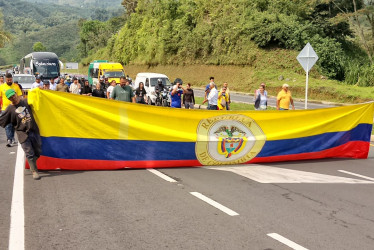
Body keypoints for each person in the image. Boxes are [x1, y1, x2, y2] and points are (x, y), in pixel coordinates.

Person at [0, 89, 41, 180]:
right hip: (22, 133)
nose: (13, 98)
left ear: (16, 94)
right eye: (10, 97)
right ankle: (34, 171)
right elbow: (2, 121)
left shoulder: (26, 101)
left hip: (33, 130)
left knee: (37, 151)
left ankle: (32, 163)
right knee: (29, 152)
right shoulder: (10, 109)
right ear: (8, 99)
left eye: (13, 95)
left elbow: (38, 101)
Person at [0, 73, 23, 147]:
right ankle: (9, 139)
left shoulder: (16, 86)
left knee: (14, 124)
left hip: (15, 108)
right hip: (5, 108)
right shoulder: (1, 87)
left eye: (10, 79)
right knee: (8, 125)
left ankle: (12, 139)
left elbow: (19, 96)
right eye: (8, 80)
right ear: (5, 79)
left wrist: (19, 105)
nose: (9, 81)